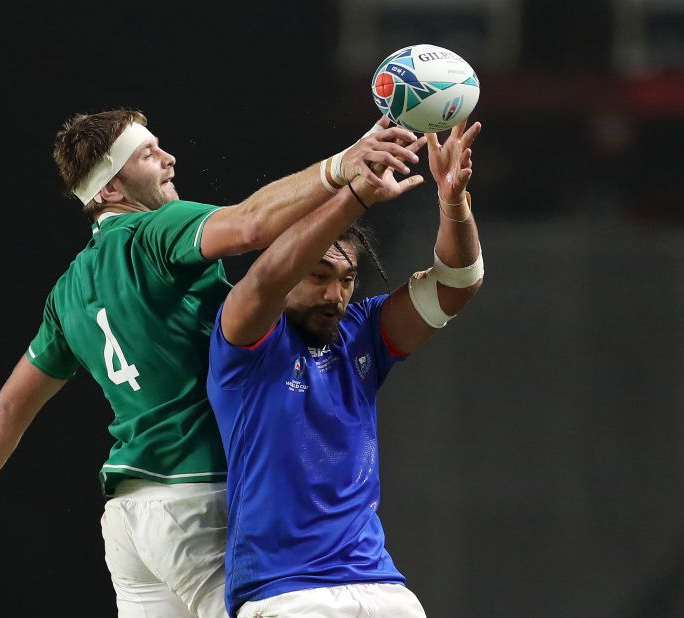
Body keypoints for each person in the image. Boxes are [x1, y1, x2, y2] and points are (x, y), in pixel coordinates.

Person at [0, 107, 426, 618]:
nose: (169, 158)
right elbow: (249, 225)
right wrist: (341, 168)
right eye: (148, 154)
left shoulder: (67, 294)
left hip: (130, 517)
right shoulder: (154, 233)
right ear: (111, 190)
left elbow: (6, 411)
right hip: (200, 499)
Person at [207, 120, 484, 617]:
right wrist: (355, 192)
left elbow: (458, 283)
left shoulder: (364, 332)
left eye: (347, 279)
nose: (335, 295)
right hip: (287, 594)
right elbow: (267, 275)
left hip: (381, 589)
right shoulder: (245, 339)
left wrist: (451, 200)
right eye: (318, 276)